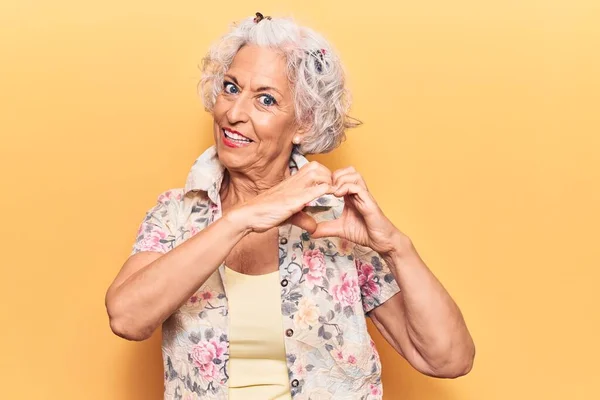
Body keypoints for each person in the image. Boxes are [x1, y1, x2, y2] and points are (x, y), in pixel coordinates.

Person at [105, 12, 475, 400]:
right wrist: (242, 218)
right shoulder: (176, 215)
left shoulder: (338, 222)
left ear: (304, 123)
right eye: (231, 88)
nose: (234, 113)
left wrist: (396, 246)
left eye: (266, 99)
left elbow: (448, 360)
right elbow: (127, 317)